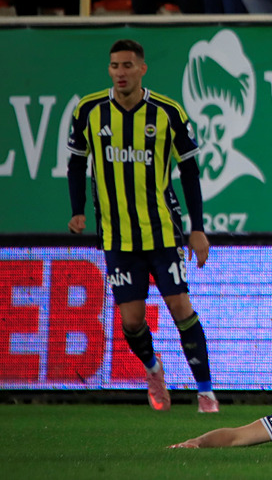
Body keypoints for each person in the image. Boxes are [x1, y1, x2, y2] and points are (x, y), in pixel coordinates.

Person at [66, 39, 218, 413]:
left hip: (162, 231)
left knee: (180, 307)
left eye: (128, 66)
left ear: (142, 69)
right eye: (115, 66)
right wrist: (78, 210)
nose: (121, 72)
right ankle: (153, 369)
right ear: (109, 70)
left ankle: (206, 392)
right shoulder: (89, 110)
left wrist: (197, 227)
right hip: (116, 236)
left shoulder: (167, 111)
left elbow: (190, 170)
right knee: (132, 321)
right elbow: (75, 163)